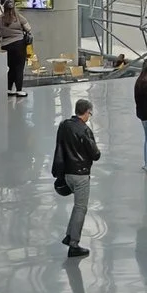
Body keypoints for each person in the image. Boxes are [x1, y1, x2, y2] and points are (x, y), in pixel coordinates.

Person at [52, 98, 101, 257]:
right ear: (86, 112)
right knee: (81, 208)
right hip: (80, 174)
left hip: (67, 173)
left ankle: (69, 235)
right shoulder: (85, 131)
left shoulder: (64, 125)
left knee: (76, 206)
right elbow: (95, 154)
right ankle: (74, 244)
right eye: (90, 113)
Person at [0, 0, 32, 97]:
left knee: (11, 68)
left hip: (6, 46)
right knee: (19, 68)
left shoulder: (0, 19)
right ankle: (19, 90)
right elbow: (28, 28)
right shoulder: (18, 17)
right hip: (19, 45)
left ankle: (9, 89)